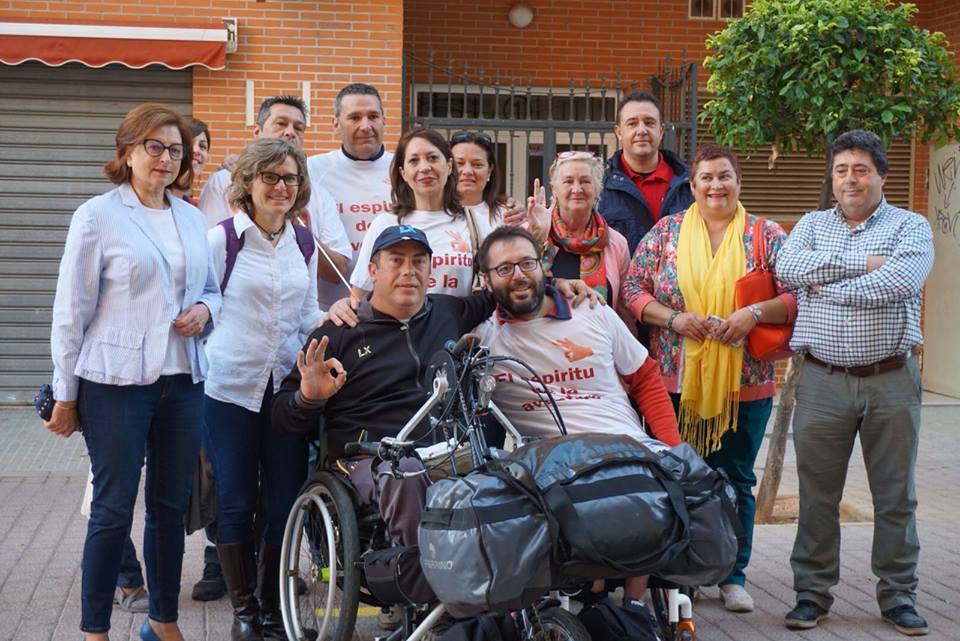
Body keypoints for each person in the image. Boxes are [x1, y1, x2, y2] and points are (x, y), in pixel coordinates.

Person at [46, 103, 221, 641]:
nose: (166, 158)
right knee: (112, 509)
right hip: (114, 385)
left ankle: (162, 621)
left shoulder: (192, 217)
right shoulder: (97, 216)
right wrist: (65, 393)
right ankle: (95, 629)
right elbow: (71, 310)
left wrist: (205, 312)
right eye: (155, 147)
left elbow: (212, 290)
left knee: (169, 512)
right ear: (127, 152)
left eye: (176, 149)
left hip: (183, 383)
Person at [622, 143, 796, 613]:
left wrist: (752, 314)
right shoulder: (667, 233)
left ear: (738, 181)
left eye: (725, 176)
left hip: (746, 382)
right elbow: (632, 289)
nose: (716, 185)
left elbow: (796, 296)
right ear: (692, 185)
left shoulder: (766, 235)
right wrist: (673, 320)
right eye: (706, 178)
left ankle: (732, 575)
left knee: (736, 479)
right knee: (679, 477)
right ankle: (683, 574)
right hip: (675, 384)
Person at [777, 130, 934, 636]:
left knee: (895, 497)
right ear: (832, 175)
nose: (850, 178)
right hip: (822, 380)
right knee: (817, 493)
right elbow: (787, 267)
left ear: (881, 176)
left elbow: (901, 281)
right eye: (842, 169)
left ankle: (898, 596)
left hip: (891, 378)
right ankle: (812, 594)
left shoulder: (911, 226)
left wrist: (824, 287)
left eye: (861, 169)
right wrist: (859, 266)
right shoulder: (811, 223)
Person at [473, 224, 681, 606]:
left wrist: (674, 446)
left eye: (526, 263)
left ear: (544, 267)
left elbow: (646, 377)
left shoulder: (593, 311)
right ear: (486, 281)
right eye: (504, 269)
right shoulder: (484, 341)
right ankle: (600, 604)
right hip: (554, 462)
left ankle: (633, 610)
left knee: (650, 489)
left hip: (627, 447)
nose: (518, 275)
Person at [204, 138, 323, 641]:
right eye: (270, 177)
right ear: (248, 183)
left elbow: (307, 313)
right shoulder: (222, 240)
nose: (281, 186)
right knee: (234, 501)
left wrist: (343, 317)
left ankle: (273, 606)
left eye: (290, 178)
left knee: (282, 504)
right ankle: (244, 612)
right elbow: (201, 310)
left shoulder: (302, 241)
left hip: (284, 393)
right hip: (229, 389)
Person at [198, 95, 351, 292]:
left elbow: (338, 272)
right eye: (280, 124)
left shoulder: (319, 195)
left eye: (298, 128)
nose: (290, 132)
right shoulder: (223, 182)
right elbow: (203, 260)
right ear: (257, 132)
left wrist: (303, 236)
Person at [349, 127, 495, 297]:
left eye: (432, 158)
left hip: (459, 323)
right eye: (413, 161)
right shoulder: (386, 224)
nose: (424, 167)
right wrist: (343, 306)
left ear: (449, 166)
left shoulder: (474, 223)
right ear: (403, 173)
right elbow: (358, 297)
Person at [307, 83, 394, 309]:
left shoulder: (405, 168)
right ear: (335, 123)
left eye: (373, 116)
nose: (366, 126)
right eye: (354, 117)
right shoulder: (312, 170)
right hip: (329, 308)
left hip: (393, 309)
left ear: (384, 120)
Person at [541, 151, 633, 324]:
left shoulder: (616, 243)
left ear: (597, 189)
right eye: (568, 181)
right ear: (554, 189)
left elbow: (623, 311)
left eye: (585, 181)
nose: (577, 189)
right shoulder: (533, 232)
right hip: (541, 342)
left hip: (598, 342)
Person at [598, 91, 694, 256]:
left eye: (649, 123)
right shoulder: (599, 188)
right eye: (632, 123)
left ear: (661, 130)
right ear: (619, 132)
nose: (641, 130)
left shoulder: (690, 185)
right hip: (622, 281)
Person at [449, 130, 526, 227]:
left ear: (489, 171)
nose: (467, 171)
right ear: (448, 167)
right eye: (459, 163)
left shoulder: (508, 215)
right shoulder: (433, 212)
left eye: (477, 164)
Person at [170, 117, 211, 205]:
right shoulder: (153, 201)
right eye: (189, 143)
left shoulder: (193, 207)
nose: (196, 150)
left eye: (202, 146)